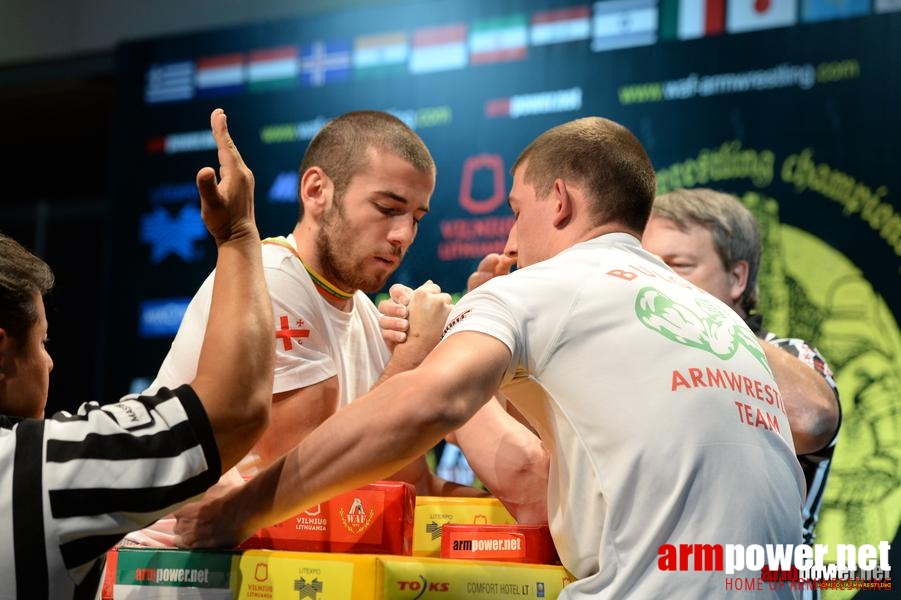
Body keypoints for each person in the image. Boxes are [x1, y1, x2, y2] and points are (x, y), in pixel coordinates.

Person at [174, 116, 805, 598]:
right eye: (389, 209)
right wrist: (435, 357)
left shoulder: (544, 286)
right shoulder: (716, 318)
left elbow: (429, 417)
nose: (509, 239)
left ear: (558, 202)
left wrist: (433, 355)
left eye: (515, 210)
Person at [135, 110, 479, 543]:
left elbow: (411, 487)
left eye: (416, 218)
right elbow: (310, 489)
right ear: (317, 190)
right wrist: (412, 359)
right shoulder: (273, 279)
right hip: (172, 574)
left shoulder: (367, 315)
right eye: (388, 208)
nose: (403, 235)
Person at [0, 108, 274, 598]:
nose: (49, 362)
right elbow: (232, 410)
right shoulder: (39, 469)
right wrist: (237, 235)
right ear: (2, 351)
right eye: (42, 342)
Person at [642, 189, 841, 549]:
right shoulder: (639, 362)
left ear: (737, 278)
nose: (657, 281)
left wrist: (710, 326)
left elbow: (812, 419)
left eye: (678, 265)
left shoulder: (789, 353)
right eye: (648, 265)